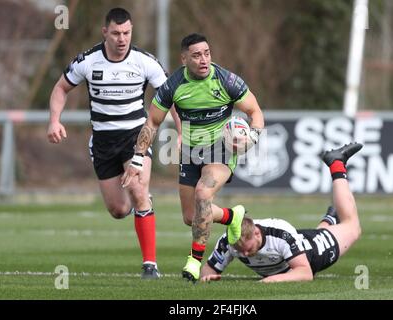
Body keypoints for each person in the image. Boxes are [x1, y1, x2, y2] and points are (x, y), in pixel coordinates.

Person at [47, 8, 179, 279]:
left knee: (139, 191)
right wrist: (54, 120)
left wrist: (181, 132)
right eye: (117, 33)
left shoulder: (145, 62)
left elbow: (171, 97)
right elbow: (61, 88)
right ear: (105, 32)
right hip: (103, 142)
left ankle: (150, 265)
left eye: (127, 33)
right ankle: (140, 203)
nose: (122, 38)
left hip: (136, 138)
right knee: (118, 210)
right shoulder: (88, 61)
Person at [121, 33, 265, 282]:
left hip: (221, 151)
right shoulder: (173, 85)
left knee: (203, 195)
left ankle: (194, 261)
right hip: (190, 153)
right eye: (196, 55)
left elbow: (255, 111)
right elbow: (152, 122)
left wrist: (252, 136)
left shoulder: (227, 81)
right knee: (191, 217)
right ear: (184, 58)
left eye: (207, 53)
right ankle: (232, 216)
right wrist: (137, 158)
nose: (203, 60)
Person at [200, 142, 363, 283]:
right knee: (297, 243)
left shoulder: (279, 233)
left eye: (247, 250)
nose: (245, 254)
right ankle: (329, 218)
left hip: (314, 251)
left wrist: (274, 279)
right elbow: (208, 270)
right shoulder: (230, 241)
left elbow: (304, 272)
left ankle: (336, 163)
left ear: (256, 233)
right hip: (294, 244)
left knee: (352, 226)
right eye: (240, 251)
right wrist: (209, 276)